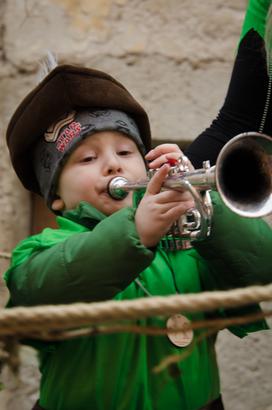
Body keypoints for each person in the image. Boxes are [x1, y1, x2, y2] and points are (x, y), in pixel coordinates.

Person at [3, 4, 272, 410]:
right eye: (87, 159)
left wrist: (202, 205)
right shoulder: (38, 252)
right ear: (54, 196)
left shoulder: (191, 246)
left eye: (126, 151)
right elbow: (45, 286)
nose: (113, 164)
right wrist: (137, 229)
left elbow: (262, 270)